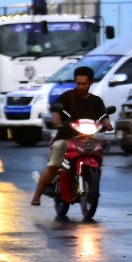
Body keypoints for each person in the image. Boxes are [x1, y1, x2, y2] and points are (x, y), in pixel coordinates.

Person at [30, 66, 112, 206]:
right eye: (78, 83)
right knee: (54, 164)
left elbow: (103, 116)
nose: (80, 87)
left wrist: (107, 124)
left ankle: (93, 184)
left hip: (87, 138)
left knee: (102, 148)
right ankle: (37, 195)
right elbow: (56, 108)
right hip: (66, 138)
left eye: (84, 84)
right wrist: (56, 117)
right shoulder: (68, 96)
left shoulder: (96, 101)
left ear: (91, 82)